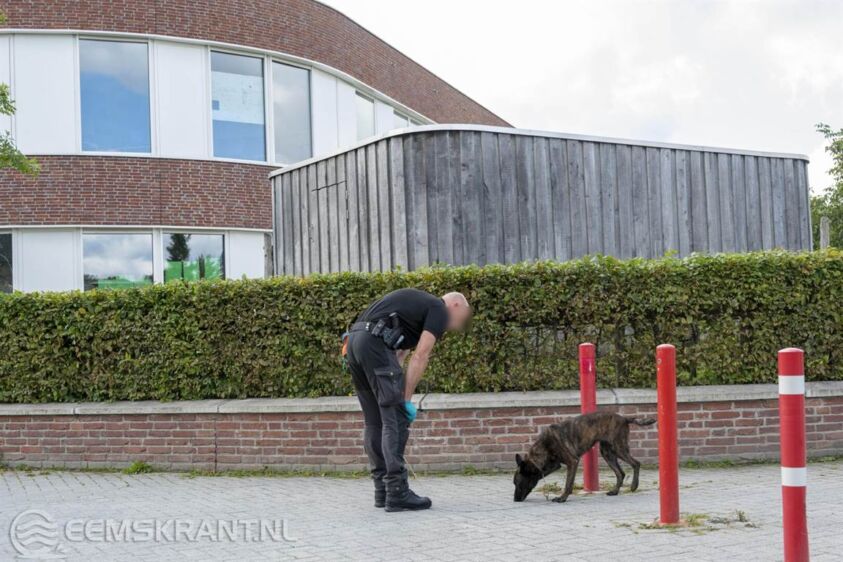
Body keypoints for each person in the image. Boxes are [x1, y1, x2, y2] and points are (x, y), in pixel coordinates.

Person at [344, 289, 471, 512]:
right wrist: (405, 400)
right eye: (463, 318)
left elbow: (399, 356)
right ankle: (397, 491)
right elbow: (420, 355)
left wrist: (394, 388)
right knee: (395, 419)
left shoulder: (416, 310)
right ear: (456, 306)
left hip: (354, 344)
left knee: (375, 422)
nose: (459, 326)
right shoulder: (439, 309)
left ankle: (382, 490)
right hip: (373, 344)